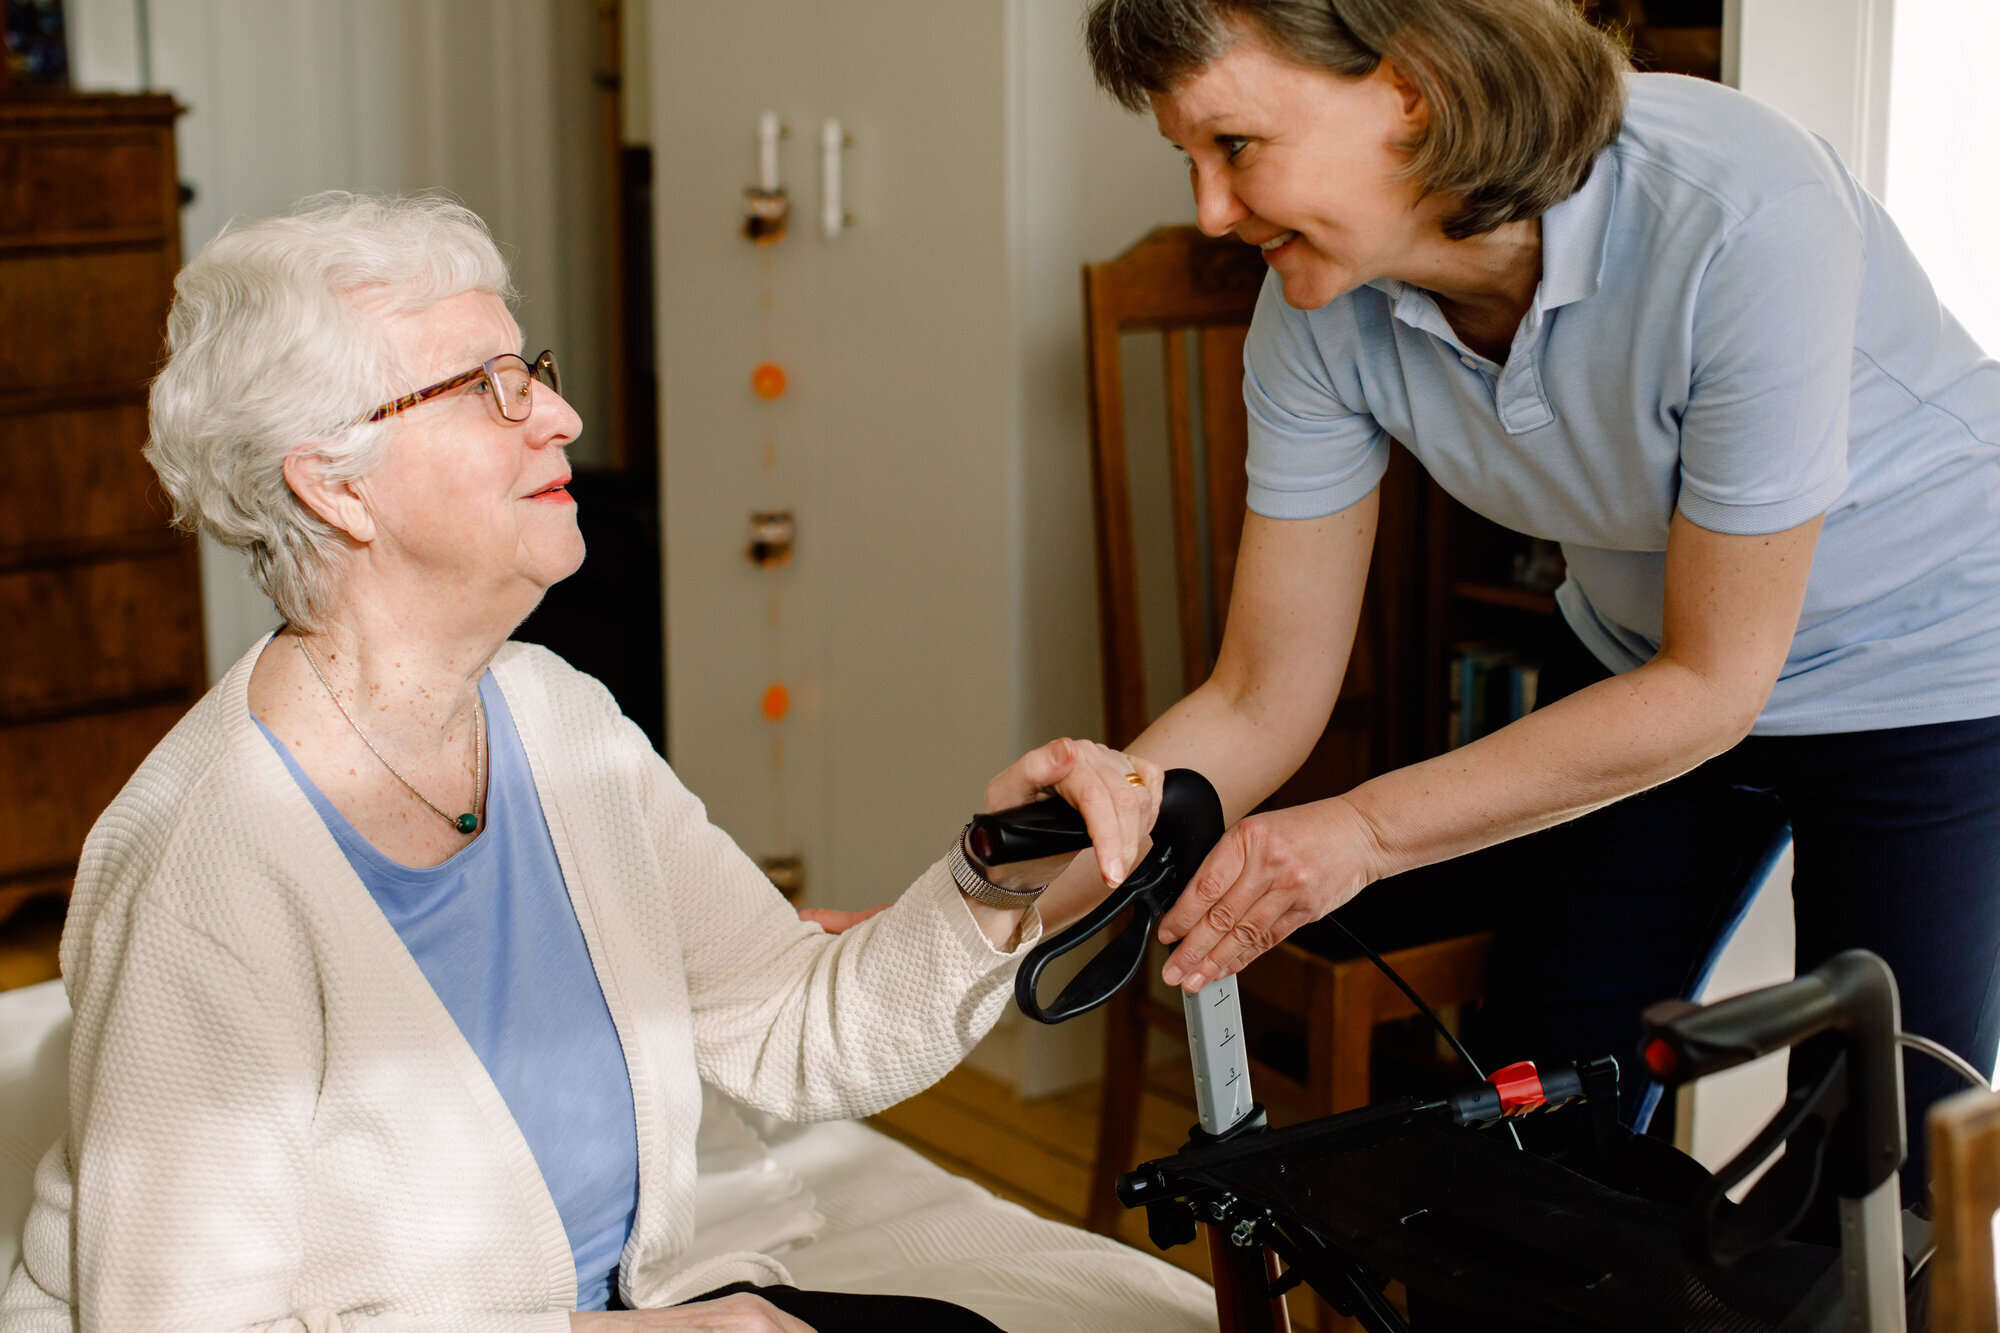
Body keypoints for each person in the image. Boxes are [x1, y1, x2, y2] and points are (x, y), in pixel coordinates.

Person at [0, 192, 1171, 1332]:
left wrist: (995, 869)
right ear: (333, 483)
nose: (556, 417)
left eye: (534, 371)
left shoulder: (557, 718)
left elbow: (789, 1024)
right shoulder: (207, 860)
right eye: (486, 389)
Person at [1075, 0, 2000, 1198]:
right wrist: (964, 922)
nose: (1209, 209)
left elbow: (1715, 685)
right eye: (1185, 160)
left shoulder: (1737, 210)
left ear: (1412, 88)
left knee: (1881, 1156)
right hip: (1641, 655)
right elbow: (1257, 694)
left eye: (1235, 148)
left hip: (1925, 658)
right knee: (1530, 1101)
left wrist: (1355, 831)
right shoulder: (1316, 308)